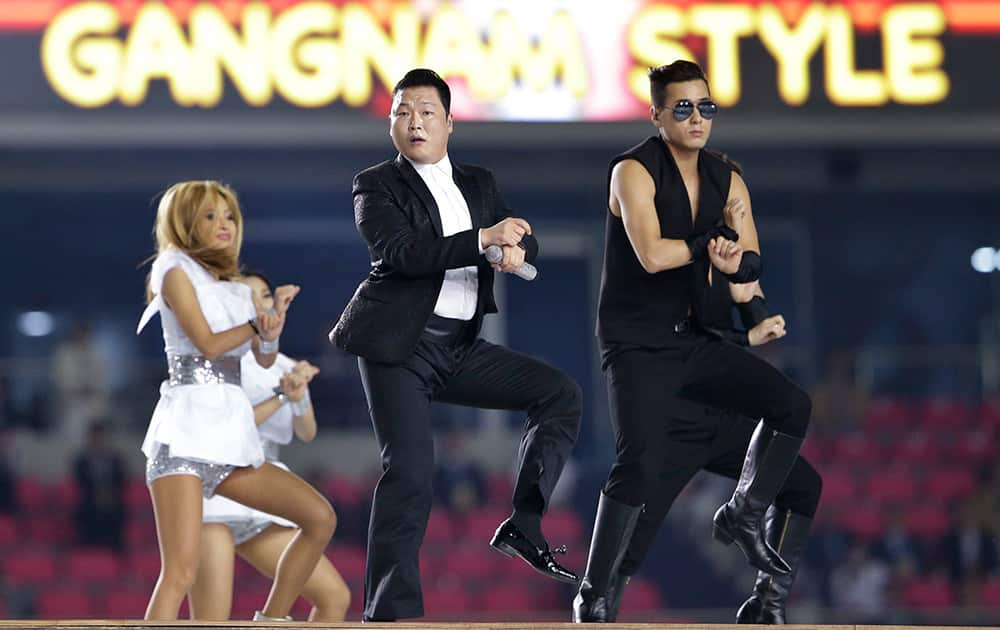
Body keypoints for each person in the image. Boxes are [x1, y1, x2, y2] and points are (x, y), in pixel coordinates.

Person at [330, 68, 582, 621]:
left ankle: (524, 523)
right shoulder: (376, 185)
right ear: (392, 124)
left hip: (460, 348)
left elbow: (517, 232)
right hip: (399, 348)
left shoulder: (478, 182)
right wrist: (483, 240)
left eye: (425, 111)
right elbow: (403, 254)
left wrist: (519, 246)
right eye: (402, 112)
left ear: (449, 122)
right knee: (412, 473)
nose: (413, 121)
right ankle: (389, 613)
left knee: (560, 394)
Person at [573, 60, 812, 622]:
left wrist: (744, 290)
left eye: (706, 107)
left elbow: (746, 264)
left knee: (793, 406)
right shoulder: (632, 170)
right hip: (637, 346)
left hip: (697, 344)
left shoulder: (727, 178)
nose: (698, 118)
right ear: (657, 114)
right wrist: (712, 242)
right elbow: (653, 255)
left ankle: (746, 523)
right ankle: (593, 596)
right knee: (638, 465)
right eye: (683, 107)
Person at [137, 180, 335, 621]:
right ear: (185, 223)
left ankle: (271, 619)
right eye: (209, 216)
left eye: (228, 216)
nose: (223, 225)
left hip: (229, 440)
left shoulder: (230, 285)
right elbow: (207, 344)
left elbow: (263, 361)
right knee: (180, 574)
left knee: (319, 517)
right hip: (185, 437)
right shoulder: (173, 269)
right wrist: (256, 324)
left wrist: (272, 327)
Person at [189, 272, 350, 621]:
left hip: (263, 493)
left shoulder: (286, 365)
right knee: (210, 620)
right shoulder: (215, 361)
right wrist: (280, 397)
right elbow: (229, 427)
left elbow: (307, 432)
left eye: (263, 294)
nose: (259, 303)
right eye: (244, 298)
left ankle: (269, 623)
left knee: (334, 597)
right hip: (216, 495)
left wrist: (297, 394)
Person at [73, 422, 126, 549]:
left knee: (116, 510)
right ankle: (88, 547)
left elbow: (121, 480)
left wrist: (108, 493)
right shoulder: (81, 460)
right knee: (86, 512)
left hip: (112, 500)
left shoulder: (115, 460)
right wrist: (97, 493)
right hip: (90, 500)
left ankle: (115, 549)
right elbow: (80, 482)